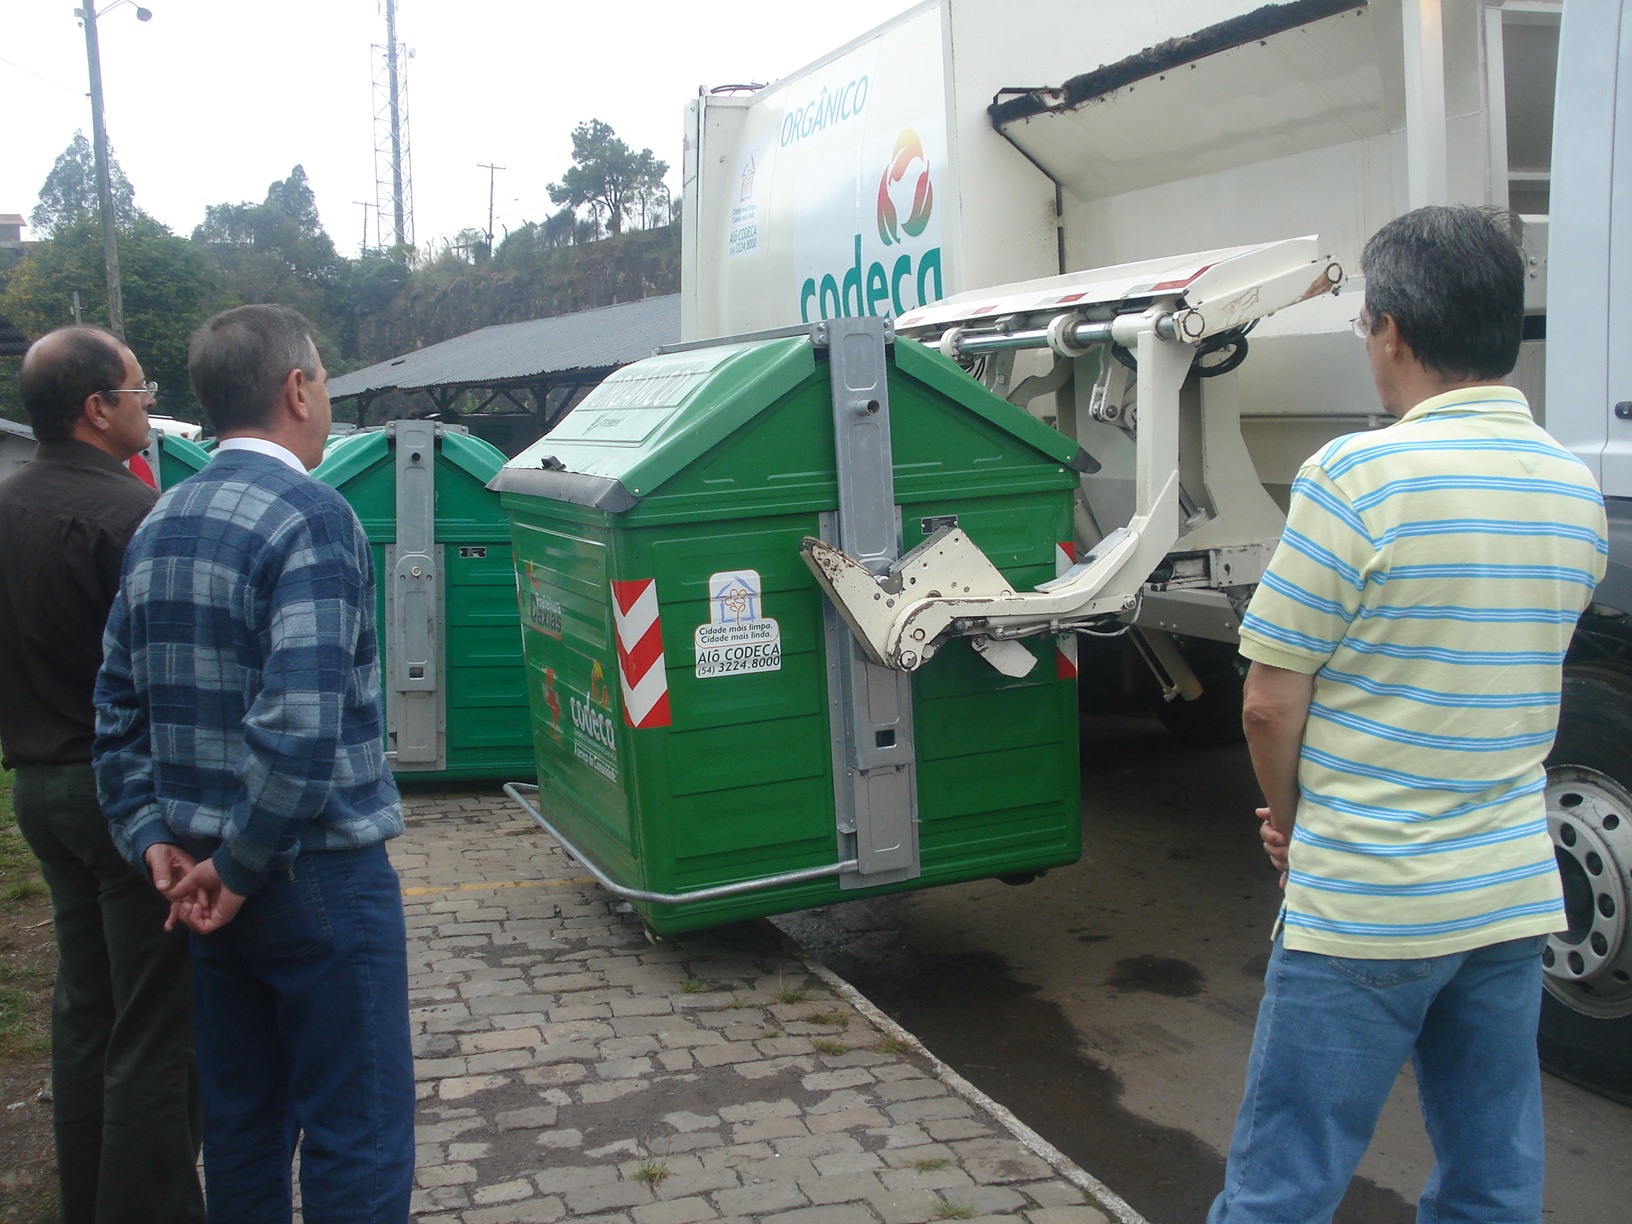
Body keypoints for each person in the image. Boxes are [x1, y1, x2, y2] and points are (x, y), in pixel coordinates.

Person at [1208, 206, 1609, 1221]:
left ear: (1388, 330)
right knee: (1493, 1177)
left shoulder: (1356, 477)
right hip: (1509, 897)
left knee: (1284, 1185)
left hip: (1365, 904)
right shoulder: (1574, 488)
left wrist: (1292, 822)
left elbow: (1268, 700)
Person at [93, 304, 414, 1223]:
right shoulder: (314, 518)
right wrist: (240, 864)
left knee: (241, 1127)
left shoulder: (161, 519)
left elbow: (115, 705)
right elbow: (301, 722)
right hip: (309, 876)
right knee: (359, 1132)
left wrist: (150, 835)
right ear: (298, 388)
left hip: (197, 884)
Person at [0, 327, 204, 1224]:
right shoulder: (132, 517)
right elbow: (169, 678)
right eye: (136, 387)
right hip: (124, 800)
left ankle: (83, 1197)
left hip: (38, 788)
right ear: (96, 408)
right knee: (156, 1026)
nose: (144, 402)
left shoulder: (8, 504)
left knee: (87, 1006)